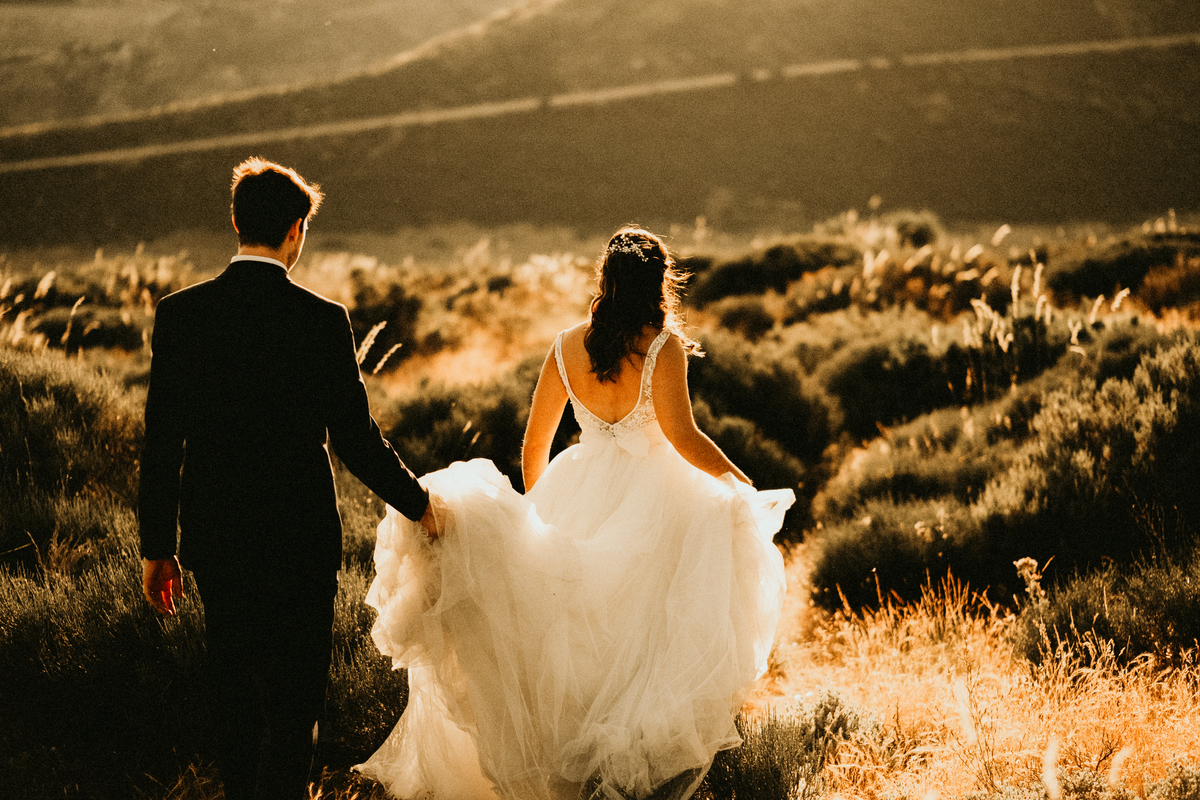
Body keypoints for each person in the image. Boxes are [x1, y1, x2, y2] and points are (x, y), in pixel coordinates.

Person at [357, 226, 793, 800]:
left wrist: (541, 514)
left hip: (578, 483)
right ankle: (619, 770)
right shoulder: (662, 349)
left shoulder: (566, 345)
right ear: (658, 283)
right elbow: (682, 436)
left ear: (606, 280)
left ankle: (569, 765)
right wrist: (740, 483)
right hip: (656, 499)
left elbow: (533, 448)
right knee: (641, 641)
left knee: (569, 638)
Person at [138, 157, 436, 800]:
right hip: (301, 535)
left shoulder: (181, 314)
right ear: (296, 230)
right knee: (297, 693)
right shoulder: (321, 318)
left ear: (238, 222)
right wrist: (420, 502)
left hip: (217, 534)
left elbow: (161, 439)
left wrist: (157, 547)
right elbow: (357, 441)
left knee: (233, 687)